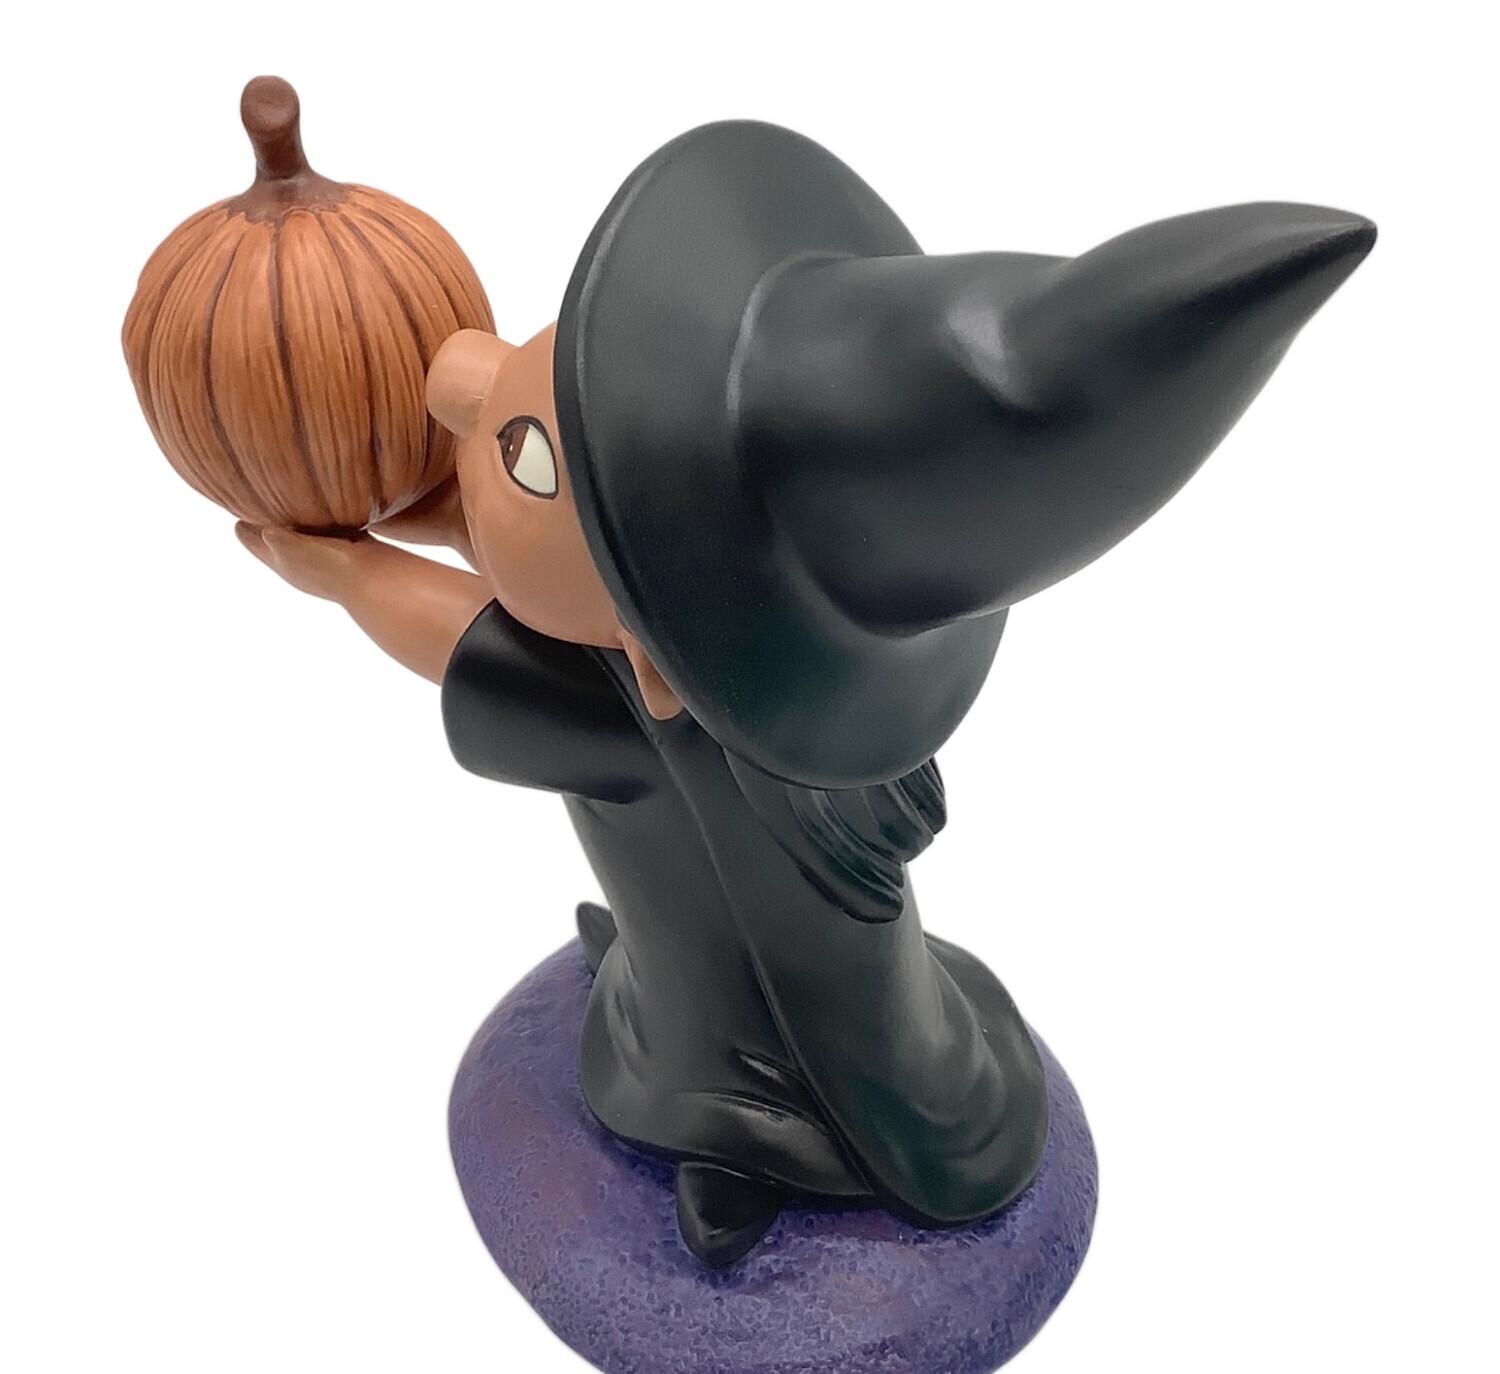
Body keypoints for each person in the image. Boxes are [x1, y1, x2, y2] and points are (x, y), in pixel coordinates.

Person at [239, 121, 1374, 1264]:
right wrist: (469, 504)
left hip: (737, 1021)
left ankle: (748, 1149)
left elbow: (469, 637)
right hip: (749, 909)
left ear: (653, 655)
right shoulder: (768, 699)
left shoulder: (649, 732)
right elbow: (560, 576)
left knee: (707, 1031)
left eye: (525, 450)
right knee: (670, 933)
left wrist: (345, 573)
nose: (461, 374)